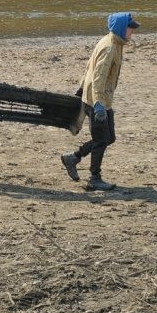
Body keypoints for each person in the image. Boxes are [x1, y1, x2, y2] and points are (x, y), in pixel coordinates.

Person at [61, 12, 140, 191]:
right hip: (97, 101)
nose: (132, 32)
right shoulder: (109, 48)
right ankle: (94, 178)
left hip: (102, 99)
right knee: (101, 139)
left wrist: (82, 87)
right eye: (130, 28)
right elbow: (98, 78)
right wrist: (98, 105)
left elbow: (89, 66)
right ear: (121, 28)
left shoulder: (115, 42)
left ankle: (73, 158)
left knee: (108, 138)